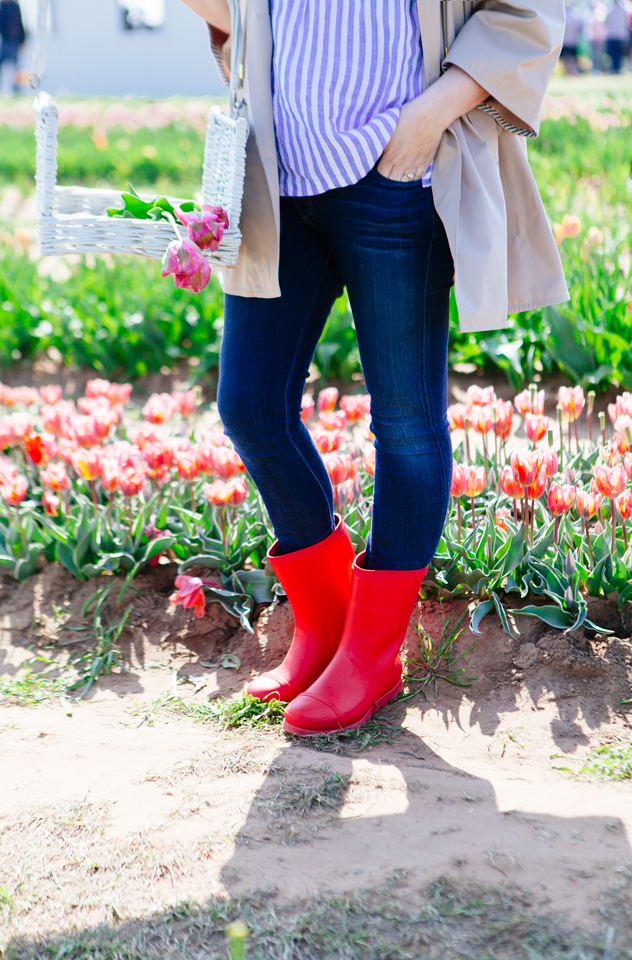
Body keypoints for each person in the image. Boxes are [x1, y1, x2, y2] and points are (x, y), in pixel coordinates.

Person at [180, 0, 568, 736]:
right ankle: (325, 628)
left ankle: (372, 654)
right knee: (250, 406)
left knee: (406, 422)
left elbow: (526, 11)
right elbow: (241, 19)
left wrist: (430, 113)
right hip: (281, 176)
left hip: (396, 174)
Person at [0, 0, 25, 93]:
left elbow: (20, 22)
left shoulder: (14, 6)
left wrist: (23, 40)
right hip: (4, 41)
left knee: (16, 69)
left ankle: (16, 91)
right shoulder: (1, 6)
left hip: (15, 42)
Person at [605, 0, 631, 72]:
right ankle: (619, 68)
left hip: (612, 35)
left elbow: (606, 22)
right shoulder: (625, 10)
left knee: (614, 54)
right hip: (622, 35)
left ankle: (616, 68)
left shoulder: (610, 10)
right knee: (620, 54)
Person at [562, 3, 585, 73]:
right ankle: (573, 71)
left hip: (565, 41)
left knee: (566, 58)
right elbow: (579, 28)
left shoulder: (563, 15)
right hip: (573, 41)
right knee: (573, 59)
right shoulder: (575, 15)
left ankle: (569, 71)